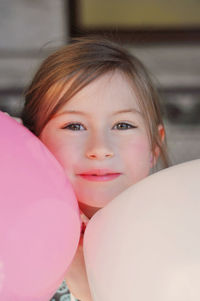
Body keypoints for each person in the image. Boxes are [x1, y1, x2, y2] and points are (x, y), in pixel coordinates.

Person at [21, 37, 170, 301]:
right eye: (74, 126)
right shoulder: (15, 246)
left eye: (123, 125)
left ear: (154, 147)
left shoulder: (179, 241)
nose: (100, 148)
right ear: (35, 141)